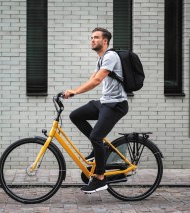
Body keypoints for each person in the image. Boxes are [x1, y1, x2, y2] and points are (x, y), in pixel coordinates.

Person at [63, 27, 128, 193]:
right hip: (105, 102)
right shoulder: (101, 59)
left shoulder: (111, 56)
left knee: (96, 136)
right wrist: (71, 91)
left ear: (104, 41)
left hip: (116, 104)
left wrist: (75, 92)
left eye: (96, 37)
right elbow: (92, 78)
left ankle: (100, 178)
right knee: (75, 115)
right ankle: (101, 149)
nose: (92, 40)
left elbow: (97, 80)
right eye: (91, 37)